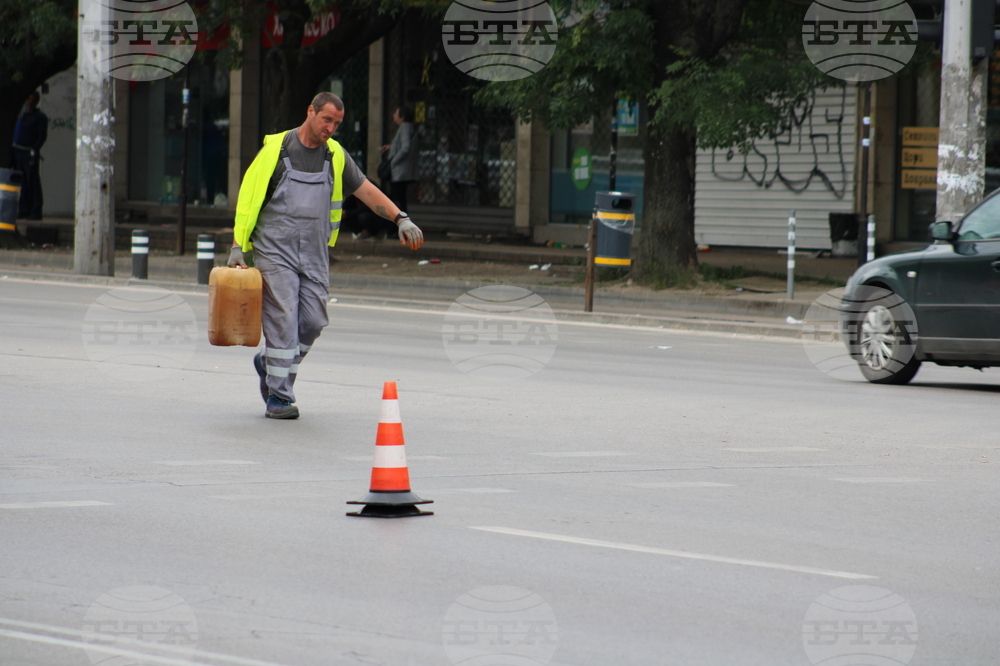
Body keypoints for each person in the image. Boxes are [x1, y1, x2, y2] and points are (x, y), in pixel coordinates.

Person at [229, 92, 423, 419]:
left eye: (337, 123)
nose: (331, 128)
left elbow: (366, 190)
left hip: (315, 252)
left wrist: (400, 218)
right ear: (311, 112)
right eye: (326, 120)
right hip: (275, 249)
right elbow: (248, 201)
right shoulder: (276, 150)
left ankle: (269, 364)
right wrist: (238, 247)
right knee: (284, 319)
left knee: (313, 321)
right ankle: (279, 396)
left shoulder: (335, 155)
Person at [12, 92, 47, 220]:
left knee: (32, 182)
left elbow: (42, 136)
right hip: (20, 152)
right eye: (28, 99)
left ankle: (35, 211)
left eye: (33, 100)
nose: (30, 102)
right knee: (22, 183)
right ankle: (24, 210)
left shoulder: (40, 117)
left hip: (30, 153)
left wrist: (35, 149)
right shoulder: (23, 116)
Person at [381, 106, 418, 212]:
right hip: (402, 171)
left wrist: (394, 161)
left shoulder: (405, 127)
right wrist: (391, 147)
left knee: (397, 198)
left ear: (402, 117)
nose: (394, 116)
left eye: (396, 114)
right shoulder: (409, 127)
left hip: (399, 171)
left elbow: (405, 147)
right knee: (399, 198)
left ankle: (399, 222)